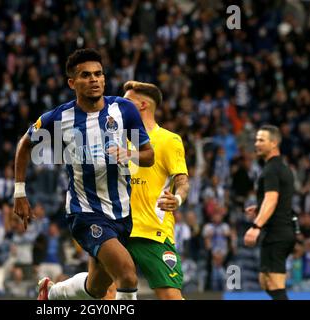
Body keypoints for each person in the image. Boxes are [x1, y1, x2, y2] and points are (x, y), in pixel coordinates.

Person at [12, 48, 154, 300]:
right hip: (85, 212)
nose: (94, 80)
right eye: (86, 75)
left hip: (121, 212)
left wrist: (128, 154)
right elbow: (25, 144)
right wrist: (19, 192)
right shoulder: (59, 117)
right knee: (128, 275)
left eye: (98, 74)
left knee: (97, 288)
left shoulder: (124, 110)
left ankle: (53, 292)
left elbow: (149, 155)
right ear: (72, 82)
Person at [122, 81, 189, 300]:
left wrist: (177, 199)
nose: (120, 105)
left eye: (126, 101)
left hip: (152, 231)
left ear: (142, 105)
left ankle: (57, 292)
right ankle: (58, 293)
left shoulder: (169, 140)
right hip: (116, 227)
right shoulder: (114, 138)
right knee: (102, 291)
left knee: (170, 296)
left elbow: (182, 180)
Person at [244, 125, 296, 300]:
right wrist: (260, 209)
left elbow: (272, 200)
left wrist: (256, 226)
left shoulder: (272, 170)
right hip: (281, 231)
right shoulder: (281, 168)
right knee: (265, 281)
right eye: (256, 139)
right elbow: (281, 200)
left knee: (274, 283)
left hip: (277, 233)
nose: (256, 143)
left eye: (261, 140)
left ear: (274, 143)